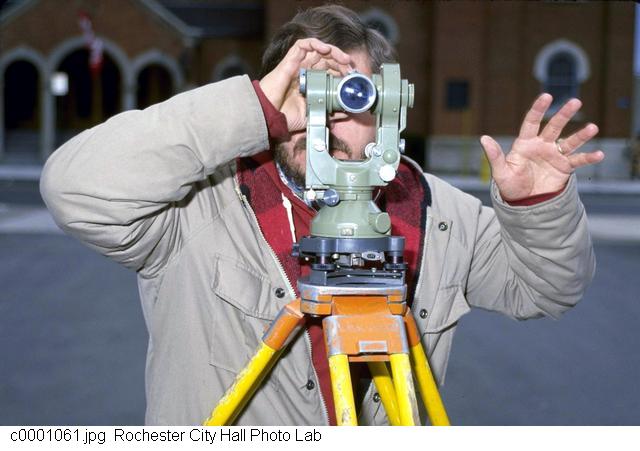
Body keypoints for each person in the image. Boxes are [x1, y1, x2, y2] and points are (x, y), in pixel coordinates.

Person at [40, 5, 604, 425]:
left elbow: (549, 289)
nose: (326, 114)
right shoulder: (196, 206)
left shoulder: (440, 215)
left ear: (388, 104)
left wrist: (537, 208)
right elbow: (73, 189)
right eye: (305, 92)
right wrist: (250, 110)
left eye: (351, 95)